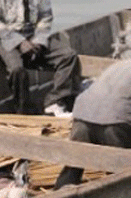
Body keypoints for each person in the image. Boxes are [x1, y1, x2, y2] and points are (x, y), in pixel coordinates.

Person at [0, 0, 81, 117]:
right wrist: (19, 42)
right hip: (4, 38)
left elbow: (45, 17)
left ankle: (54, 102)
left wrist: (38, 41)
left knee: (68, 56)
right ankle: (23, 111)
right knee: (17, 69)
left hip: (32, 35)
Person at [54, 60, 131, 189]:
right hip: (114, 120)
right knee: (121, 174)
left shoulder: (121, 64)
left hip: (82, 114)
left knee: (74, 165)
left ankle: (59, 196)